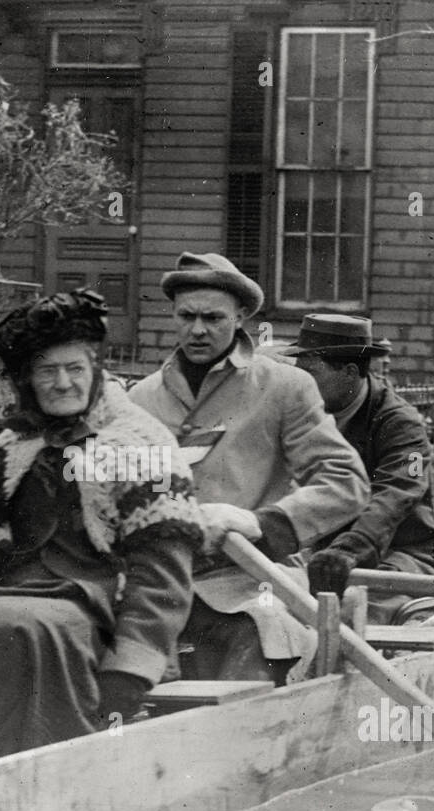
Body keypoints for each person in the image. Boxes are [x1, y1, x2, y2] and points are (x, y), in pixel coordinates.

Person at [0, 289, 203, 760]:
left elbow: (163, 574)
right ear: (28, 379)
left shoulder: (142, 445)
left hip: (88, 603)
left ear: (96, 371)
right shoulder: (13, 443)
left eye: (75, 369)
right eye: (48, 371)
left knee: (15, 629)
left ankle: (25, 775)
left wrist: (130, 667)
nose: (63, 383)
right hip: (3, 591)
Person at [128, 252, 369, 685]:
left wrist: (258, 522)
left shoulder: (284, 387)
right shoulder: (140, 400)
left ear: (240, 317)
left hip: (252, 580)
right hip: (160, 583)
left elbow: (346, 483)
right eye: (186, 316)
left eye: (213, 318)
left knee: (257, 637)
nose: (198, 330)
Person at [275, 314, 434, 620]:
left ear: (349, 372)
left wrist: (351, 549)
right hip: (328, 555)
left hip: (408, 554)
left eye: (311, 374)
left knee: (351, 608)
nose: (301, 384)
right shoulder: (303, 415)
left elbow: (399, 490)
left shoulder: (402, 424)